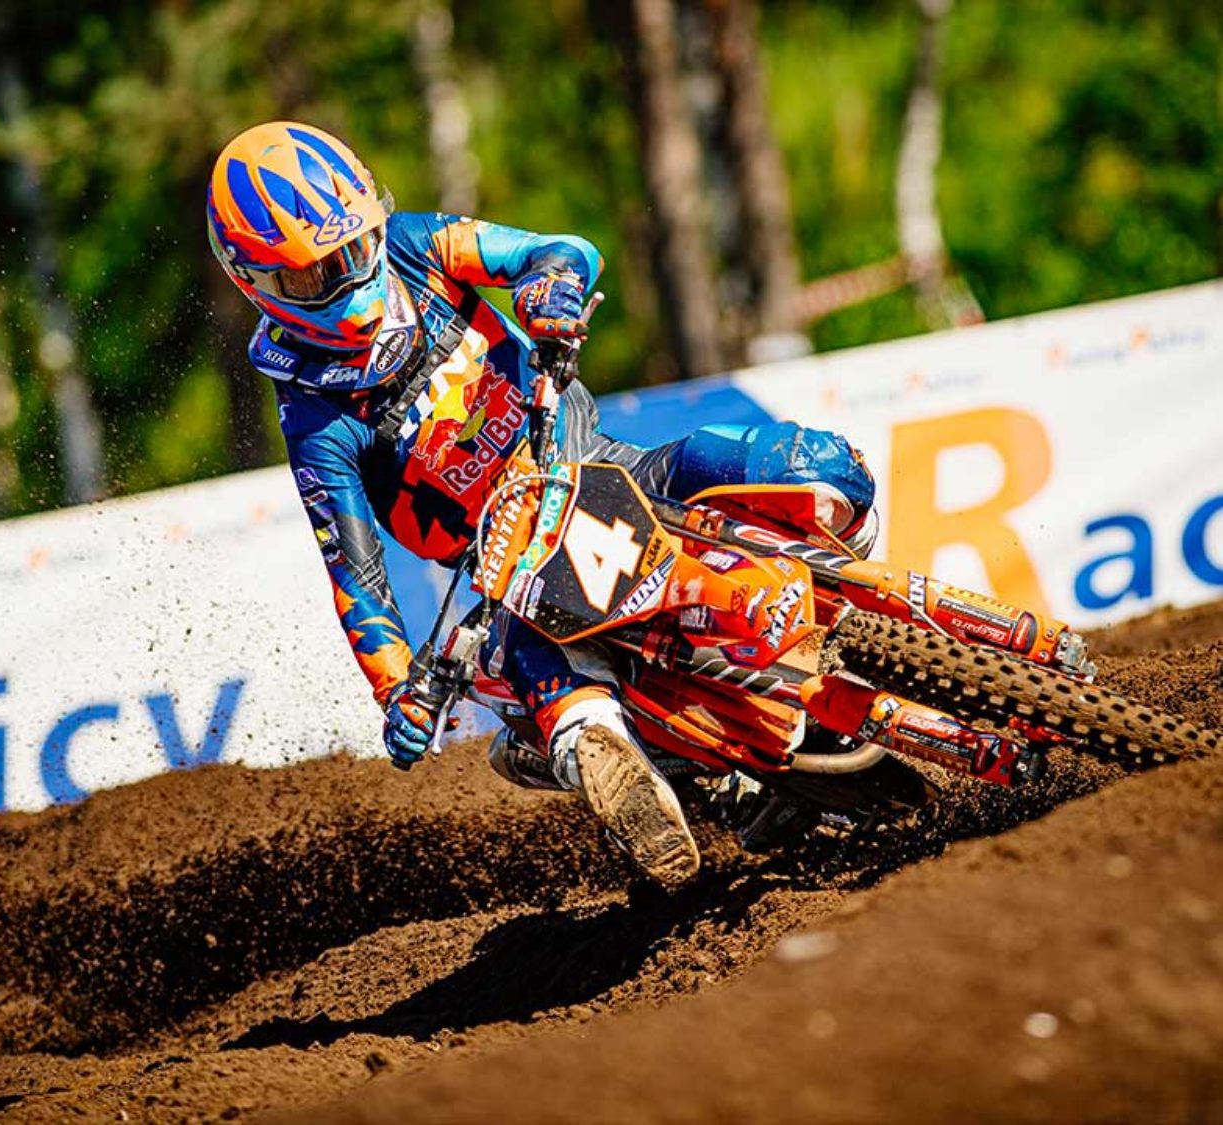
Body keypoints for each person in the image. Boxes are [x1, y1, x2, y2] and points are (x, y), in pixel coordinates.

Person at [207, 121, 877, 887]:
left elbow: (560, 250)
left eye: (355, 248)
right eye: (314, 276)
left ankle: (864, 608)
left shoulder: (418, 245)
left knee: (820, 466)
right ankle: (644, 776)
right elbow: (356, 577)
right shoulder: (315, 421)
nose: (349, 276)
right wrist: (397, 691)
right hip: (512, 576)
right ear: (256, 283)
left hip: (605, 465)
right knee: (559, 699)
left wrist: (549, 289)